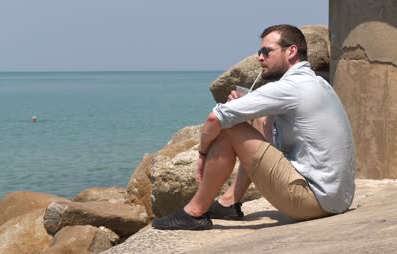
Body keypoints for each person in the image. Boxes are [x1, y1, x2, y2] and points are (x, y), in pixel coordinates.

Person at [152, 24, 355, 230]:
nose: (259, 57)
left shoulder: (289, 87)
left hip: (312, 201)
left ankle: (195, 212)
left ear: (291, 51)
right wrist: (249, 105)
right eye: (259, 52)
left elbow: (216, 118)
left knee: (229, 126)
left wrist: (203, 154)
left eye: (266, 51)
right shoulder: (317, 83)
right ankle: (229, 202)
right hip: (337, 198)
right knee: (258, 117)